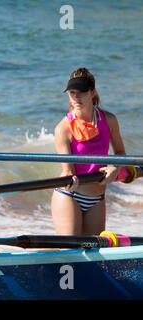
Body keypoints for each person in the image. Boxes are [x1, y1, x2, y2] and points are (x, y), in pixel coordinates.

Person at [51, 68, 126, 236]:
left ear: (92, 92)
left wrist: (116, 166)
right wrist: (68, 175)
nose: (76, 97)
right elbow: (68, 171)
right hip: (70, 195)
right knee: (70, 254)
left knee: (93, 253)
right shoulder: (62, 129)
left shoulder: (109, 120)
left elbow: (120, 152)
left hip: (97, 198)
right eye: (72, 93)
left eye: (82, 92)